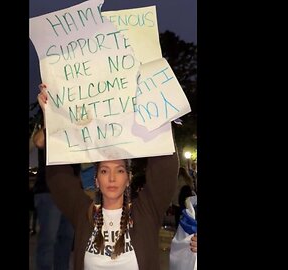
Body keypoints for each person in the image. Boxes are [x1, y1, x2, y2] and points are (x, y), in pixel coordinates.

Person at [37, 84, 179, 270]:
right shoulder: (83, 214)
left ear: (128, 178)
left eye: (119, 170)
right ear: (96, 179)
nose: (112, 178)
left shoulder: (146, 212)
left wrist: (157, 113)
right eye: (104, 171)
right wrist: (52, 118)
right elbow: (58, 178)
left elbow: (164, 169)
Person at [30, 110, 74, 270]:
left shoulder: (75, 127)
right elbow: (38, 141)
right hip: (48, 191)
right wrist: (52, 119)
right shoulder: (49, 120)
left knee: (66, 238)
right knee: (49, 239)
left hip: (70, 193)